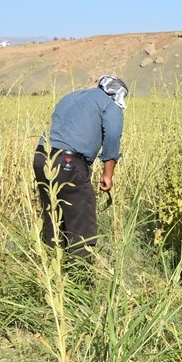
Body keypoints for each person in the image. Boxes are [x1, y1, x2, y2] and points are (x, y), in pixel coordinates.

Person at [33, 75, 129, 257]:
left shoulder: (72, 96)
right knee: (81, 221)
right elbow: (112, 137)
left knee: (52, 216)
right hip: (69, 162)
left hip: (42, 158)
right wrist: (107, 175)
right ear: (119, 94)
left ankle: (53, 268)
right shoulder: (111, 104)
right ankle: (80, 277)